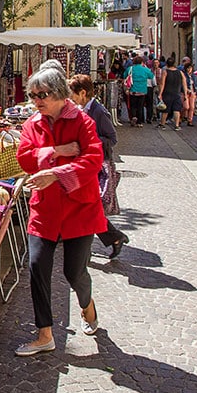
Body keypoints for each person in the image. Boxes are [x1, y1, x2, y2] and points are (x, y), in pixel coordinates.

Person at [14, 67, 106, 356]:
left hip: (80, 208)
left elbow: (93, 159)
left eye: (42, 95)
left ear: (59, 94)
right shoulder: (32, 124)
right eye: (33, 95)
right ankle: (44, 334)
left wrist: (56, 174)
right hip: (45, 208)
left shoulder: (83, 121)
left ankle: (87, 305)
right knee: (37, 266)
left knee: (74, 272)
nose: (36, 101)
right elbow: (24, 158)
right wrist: (57, 151)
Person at [68, 74, 130, 258]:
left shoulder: (99, 111)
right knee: (84, 207)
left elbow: (112, 139)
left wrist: (88, 141)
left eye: (73, 93)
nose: (70, 97)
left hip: (97, 166)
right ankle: (112, 238)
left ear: (83, 93)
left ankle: (89, 248)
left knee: (86, 207)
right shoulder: (82, 109)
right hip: (85, 163)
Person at [123, 56, 154, 126]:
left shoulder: (130, 68)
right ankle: (139, 122)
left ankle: (133, 116)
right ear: (142, 62)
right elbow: (151, 76)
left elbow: (124, 76)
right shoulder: (145, 69)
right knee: (140, 106)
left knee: (133, 106)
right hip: (142, 90)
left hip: (133, 90)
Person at [157, 57, 185, 130]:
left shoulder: (165, 72)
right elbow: (184, 83)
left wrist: (160, 93)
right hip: (177, 93)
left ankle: (162, 124)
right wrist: (185, 93)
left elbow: (162, 83)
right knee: (176, 110)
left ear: (167, 64)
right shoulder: (180, 72)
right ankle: (177, 125)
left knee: (165, 110)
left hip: (167, 93)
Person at [182, 58, 197, 126]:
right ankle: (182, 116)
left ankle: (190, 120)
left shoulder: (193, 76)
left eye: (190, 68)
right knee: (186, 107)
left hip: (192, 93)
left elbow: (195, 84)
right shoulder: (184, 75)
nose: (189, 69)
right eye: (188, 68)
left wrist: (195, 91)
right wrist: (187, 90)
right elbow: (182, 84)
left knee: (192, 107)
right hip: (185, 92)